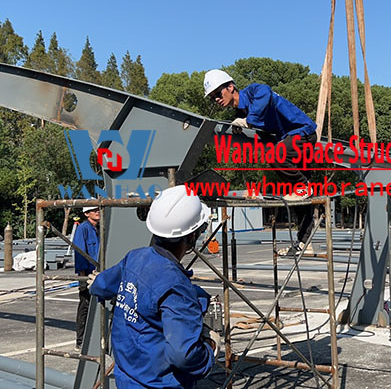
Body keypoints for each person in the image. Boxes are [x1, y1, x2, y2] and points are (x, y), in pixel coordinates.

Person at [88, 185, 219, 388]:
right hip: (159, 383)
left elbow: (104, 285)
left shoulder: (135, 258)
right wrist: (209, 351)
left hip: (128, 379)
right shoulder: (176, 286)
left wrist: (96, 282)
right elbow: (183, 354)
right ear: (192, 236)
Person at [204, 69, 318, 254]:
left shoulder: (253, 92)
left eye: (218, 93)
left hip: (302, 133)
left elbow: (265, 91)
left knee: (276, 157)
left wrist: (249, 121)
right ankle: (305, 244)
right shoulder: (242, 111)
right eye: (212, 97)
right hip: (289, 139)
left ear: (231, 87)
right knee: (301, 201)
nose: (216, 99)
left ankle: (304, 186)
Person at [73, 204, 100, 351]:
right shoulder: (83, 229)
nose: (97, 212)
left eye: (98, 210)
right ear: (86, 214)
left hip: (99, 274)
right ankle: (81, 340)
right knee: (85, 306)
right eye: (93, 211)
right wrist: (83, 279)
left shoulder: (100, 228)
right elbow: (80, 252)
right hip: (88, 275)